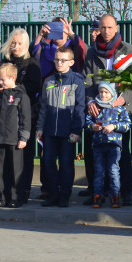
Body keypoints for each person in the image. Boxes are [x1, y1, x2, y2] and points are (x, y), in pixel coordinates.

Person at [83, 14, 132, 205]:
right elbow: (88, 81)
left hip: (119, 111)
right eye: (102, 27)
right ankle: (98, 192)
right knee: (95, 153)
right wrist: (90, 102)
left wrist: (124, 99)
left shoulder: (128, 49)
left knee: (122, 155)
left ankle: (125, 193)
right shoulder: (91, 52)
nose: (105, 31)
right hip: (98, 110)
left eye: (109, 27)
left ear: (116, 28)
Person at [37, 45, 85, 208]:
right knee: (48, 161)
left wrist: (76, 131)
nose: (59, 63)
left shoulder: (77, 81)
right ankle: (53, 194)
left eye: (63, 60)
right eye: (56, 59)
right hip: (50, 130)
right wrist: (40, 127)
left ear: (71, 62)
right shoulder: (49, 81)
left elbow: (80, 108)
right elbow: (43, 106)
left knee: (66, 163)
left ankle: (65, 195)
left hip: (68, 132)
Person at [1, 28, 42, 204]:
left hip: (26, 115)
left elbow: (33, 88)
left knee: (24, 155)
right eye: (13, 43)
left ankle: (23, 191)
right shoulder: (5, 62)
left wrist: (13, 89)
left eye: (19, 43)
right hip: (6, 117)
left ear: (26, 45)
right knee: (6, 157)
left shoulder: (31, 64)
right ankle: (6, 193)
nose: (16, 46)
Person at [0, 62, 33, 208]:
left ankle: (16, 197)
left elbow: (25, 119)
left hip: (15, 139)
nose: (0, 82)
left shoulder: (21, 95)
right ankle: (3, 196)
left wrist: (24, 137)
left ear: (12, 77)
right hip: (2, 137)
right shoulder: (0, 95)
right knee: (2, 170)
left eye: (3, 80)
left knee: (16, 170)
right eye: (0, 80)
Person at [86, 81, 132, 208]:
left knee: (113, 171)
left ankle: (115, 196)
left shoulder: (119, 109)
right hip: (98, 145)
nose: (103, 95)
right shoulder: (96, 108)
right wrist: (92, 126)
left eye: (106, 92)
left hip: (114, 145)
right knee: (99, 171)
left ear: (112, 94)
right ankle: (98, 196)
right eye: (101, 92)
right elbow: (87, 122)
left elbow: (127, 124)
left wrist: (114, 126)